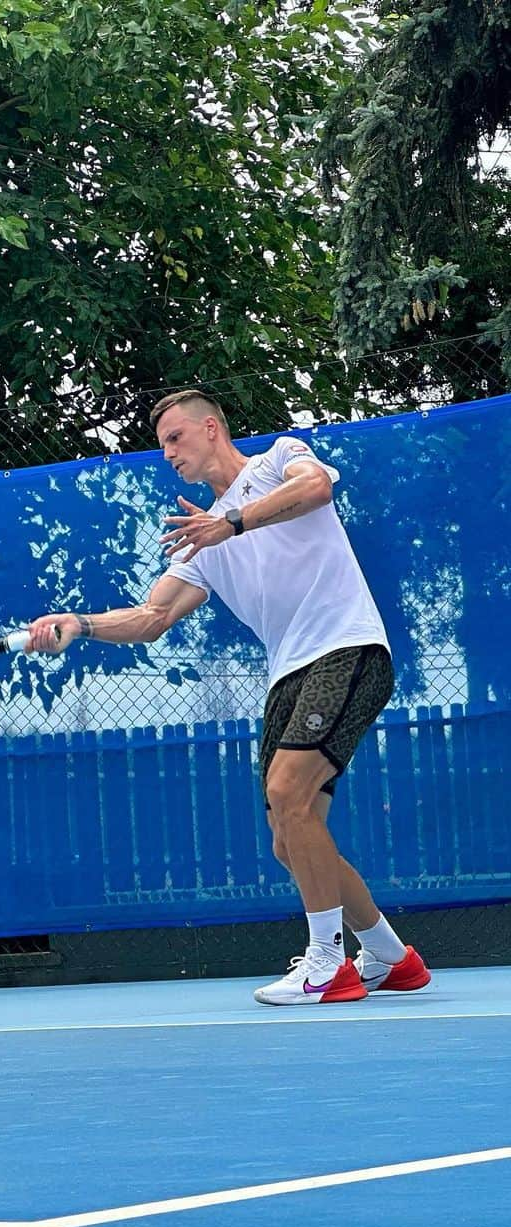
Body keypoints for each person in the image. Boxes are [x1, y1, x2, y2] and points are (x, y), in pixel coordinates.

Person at [26, 389, 431, 1006]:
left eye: (174, 439)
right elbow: (151, 616)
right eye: (161, 444)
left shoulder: (278, 460)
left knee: (287, 793)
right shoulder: (203, 542)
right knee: (288, 835)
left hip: (347, 649)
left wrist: (233, 521)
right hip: (289, 674)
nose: (166, 454)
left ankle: (329, 965)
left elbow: (317, 489)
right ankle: (390, 956)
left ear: (211, 428)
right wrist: (79, 624)